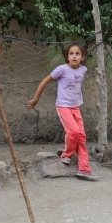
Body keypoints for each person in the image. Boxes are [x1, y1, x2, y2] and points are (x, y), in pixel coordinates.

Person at [26, 43, 98, 181]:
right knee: (74, 133)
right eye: (71, 54)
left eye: (77, 54)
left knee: (81, 137)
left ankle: (84, 169)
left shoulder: (83, 70)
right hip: (63, 107)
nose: (74, 56)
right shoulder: (62, 69)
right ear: (67, 57)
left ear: (82, 57)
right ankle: (66, 154)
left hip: (76, 107)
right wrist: (36, 98)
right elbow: (45, 81)